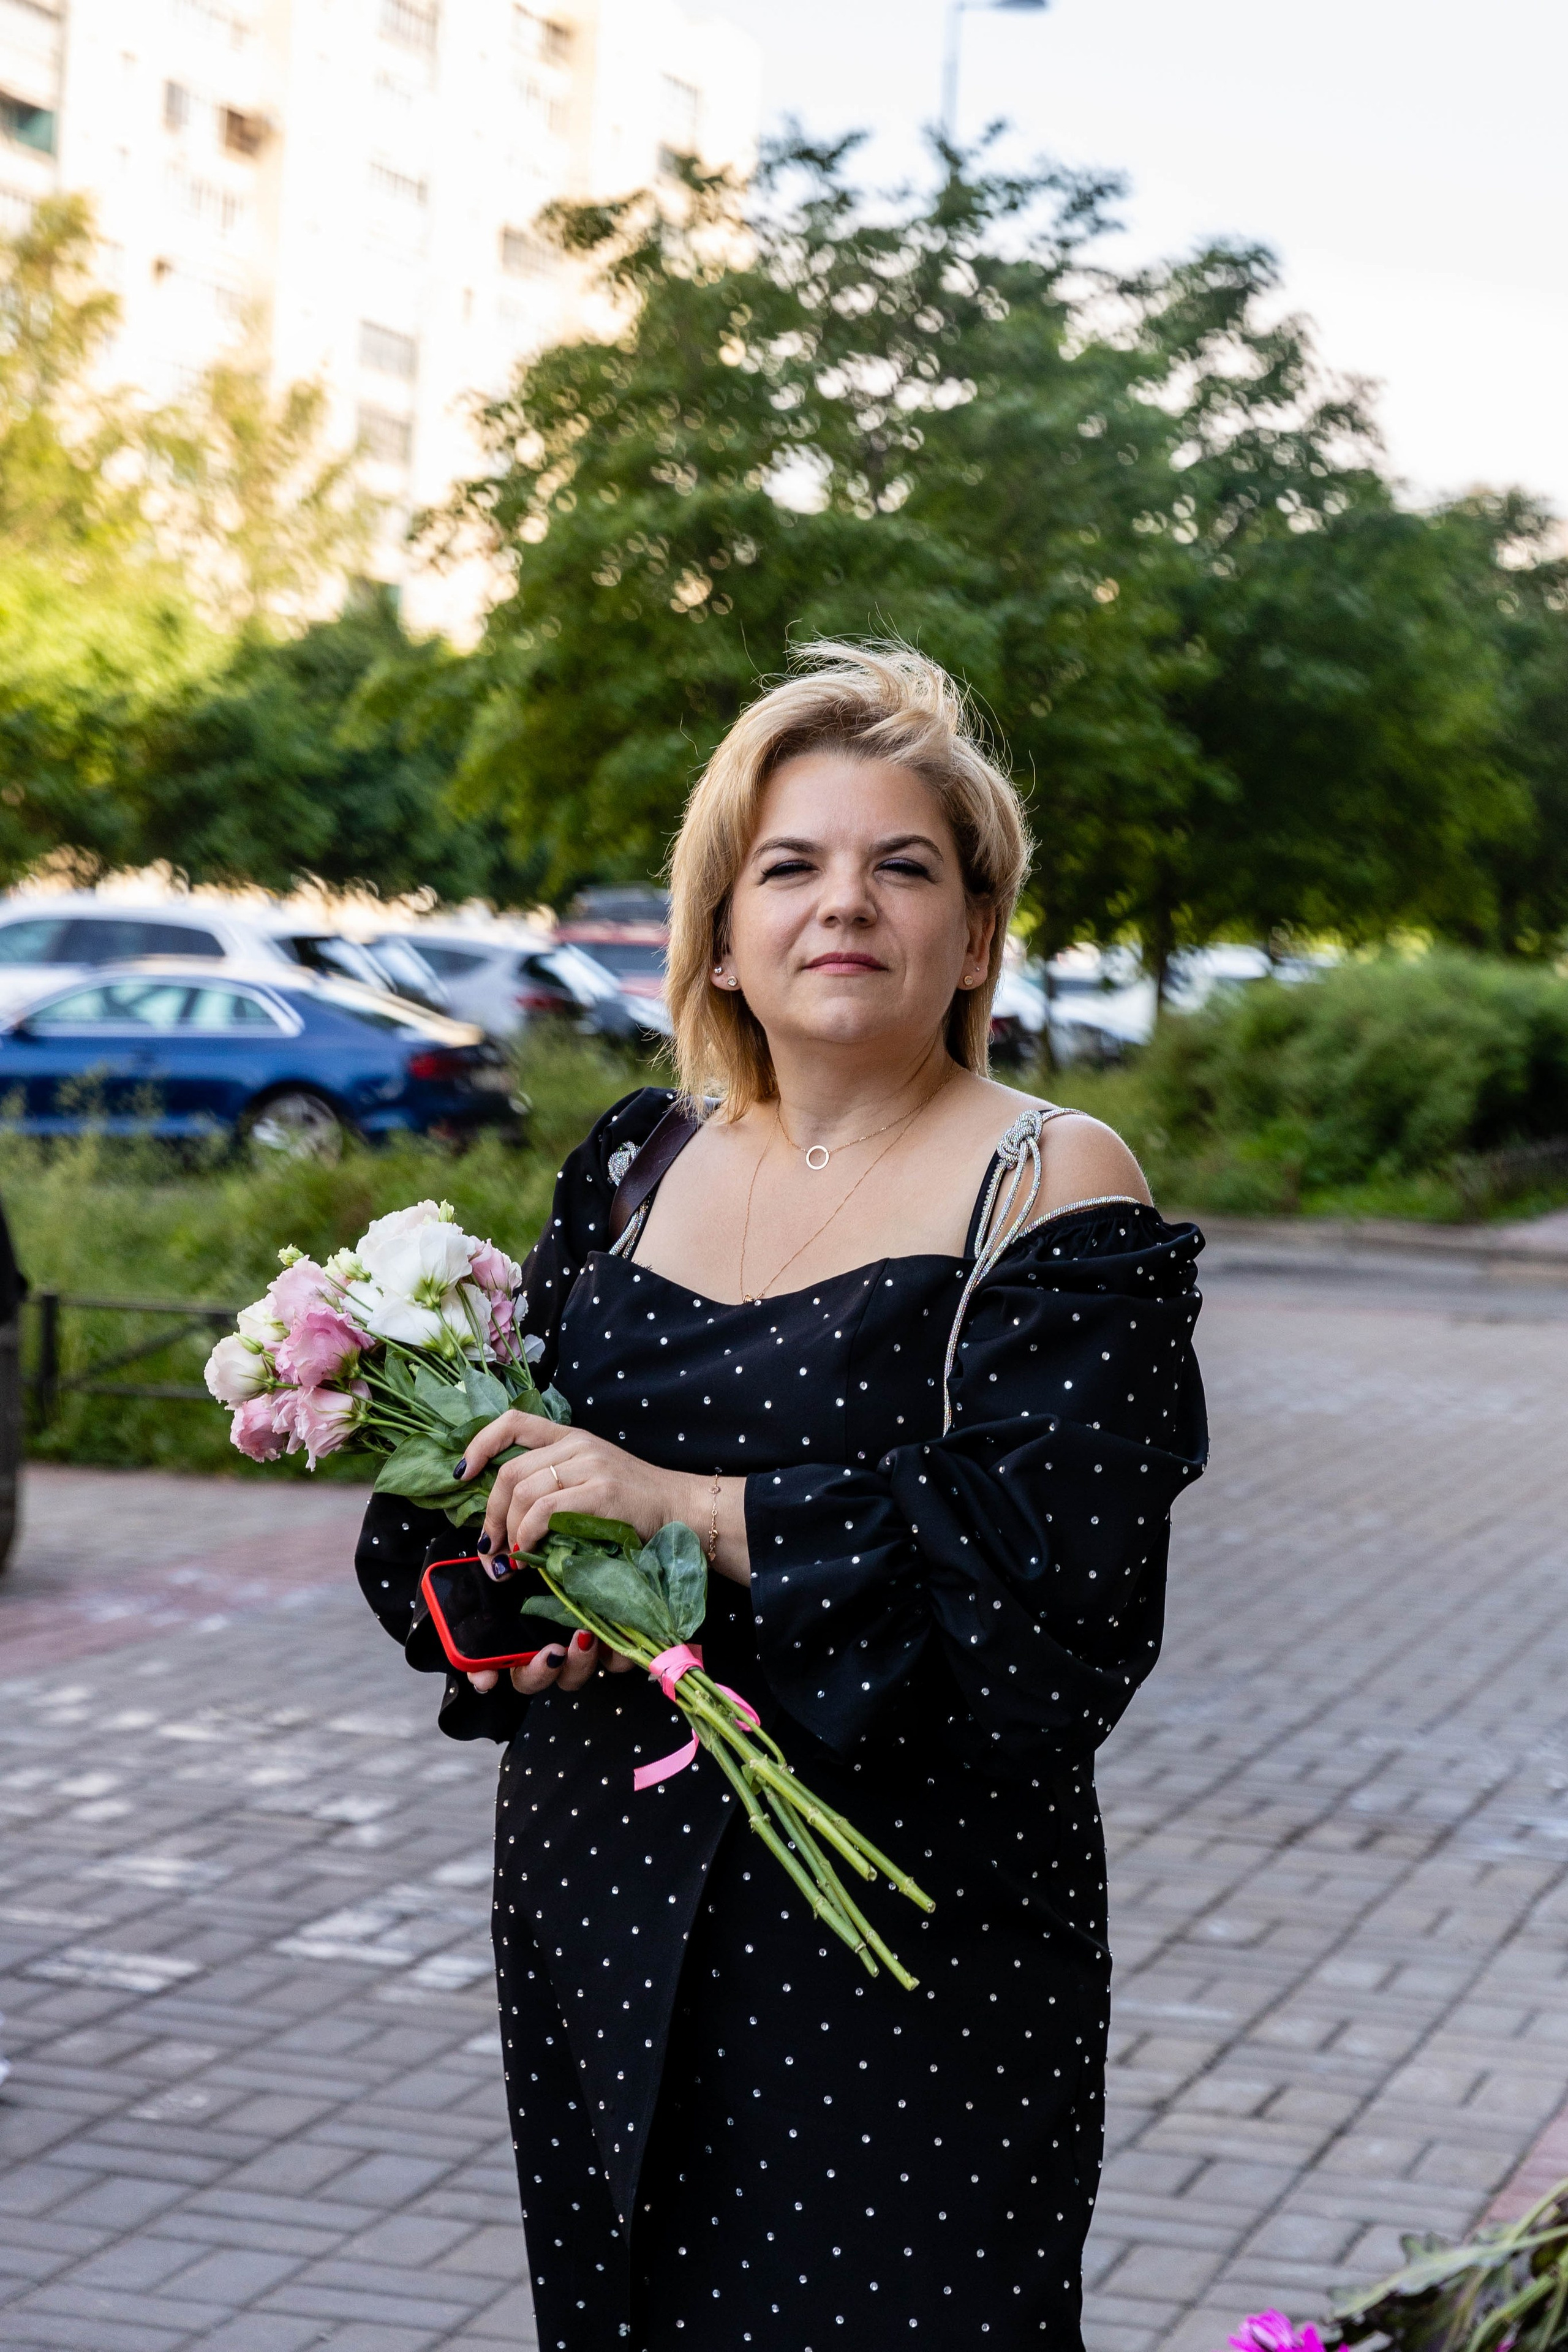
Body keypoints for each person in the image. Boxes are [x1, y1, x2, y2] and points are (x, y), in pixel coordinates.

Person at [355, 641, 1208, 2351]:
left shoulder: (1049, 1176)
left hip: (901, 1916)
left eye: (907, 867)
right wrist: (510, 1632)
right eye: (792, 866)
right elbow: (503, 1483)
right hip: (599, 1883)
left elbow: (1064, 1571)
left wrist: (687, 1507)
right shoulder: (634, 1155)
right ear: (722, 928)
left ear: (977, 931)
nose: (849, 906)